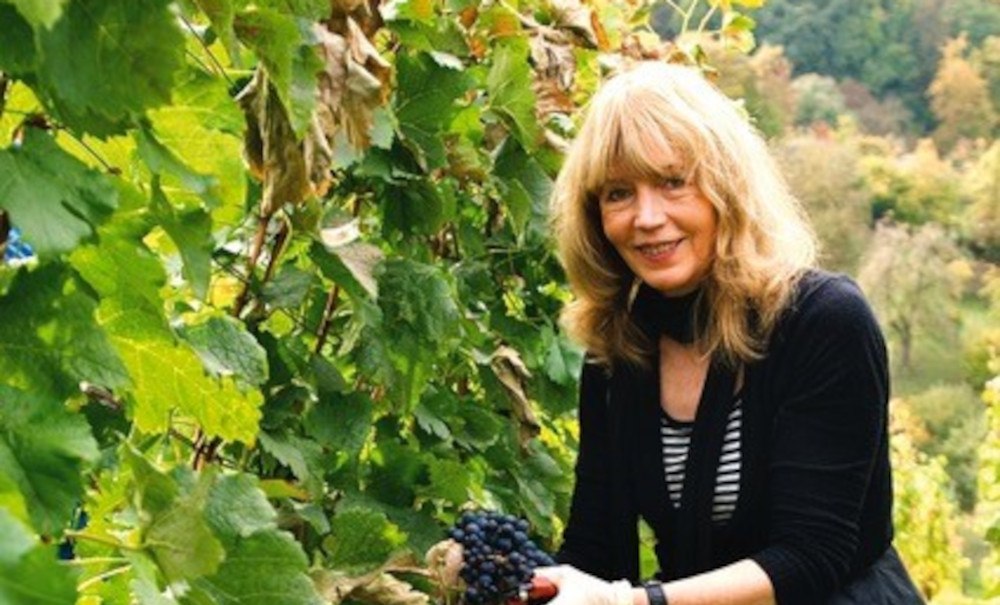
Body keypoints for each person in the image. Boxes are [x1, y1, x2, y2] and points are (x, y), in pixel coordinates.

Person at [533, 62, 922, 605]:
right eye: (618, 193)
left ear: (727, 189)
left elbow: (812, 557)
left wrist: (633, 602)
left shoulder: (824, 322)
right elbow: (592, 549)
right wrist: (513, 578)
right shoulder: (620, 353)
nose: (646, 217)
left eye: (673, 182)